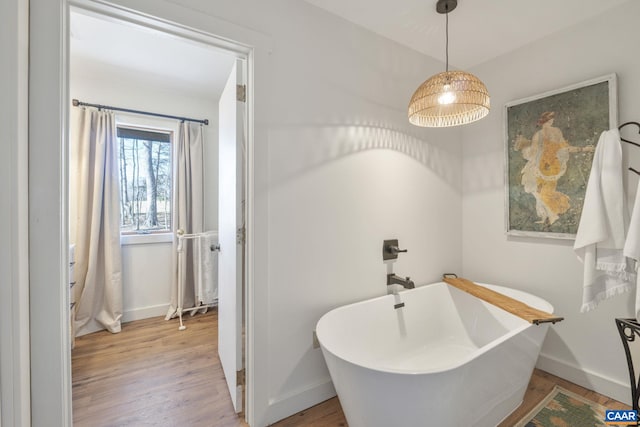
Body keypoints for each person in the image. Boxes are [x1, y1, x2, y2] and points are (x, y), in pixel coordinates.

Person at [514, 111, 594, 225]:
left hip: (549, 166)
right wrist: (527, 146)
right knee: (541, 191)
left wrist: (583, 149)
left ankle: (551, 215)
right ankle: (547, 217)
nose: (550, 122)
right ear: (544, 121)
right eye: (549, 120)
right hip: (544, 166)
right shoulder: (543, 134)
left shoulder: (548, 133)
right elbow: (535, 152)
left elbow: (563, 147)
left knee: (544, 192)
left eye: (551, 120)